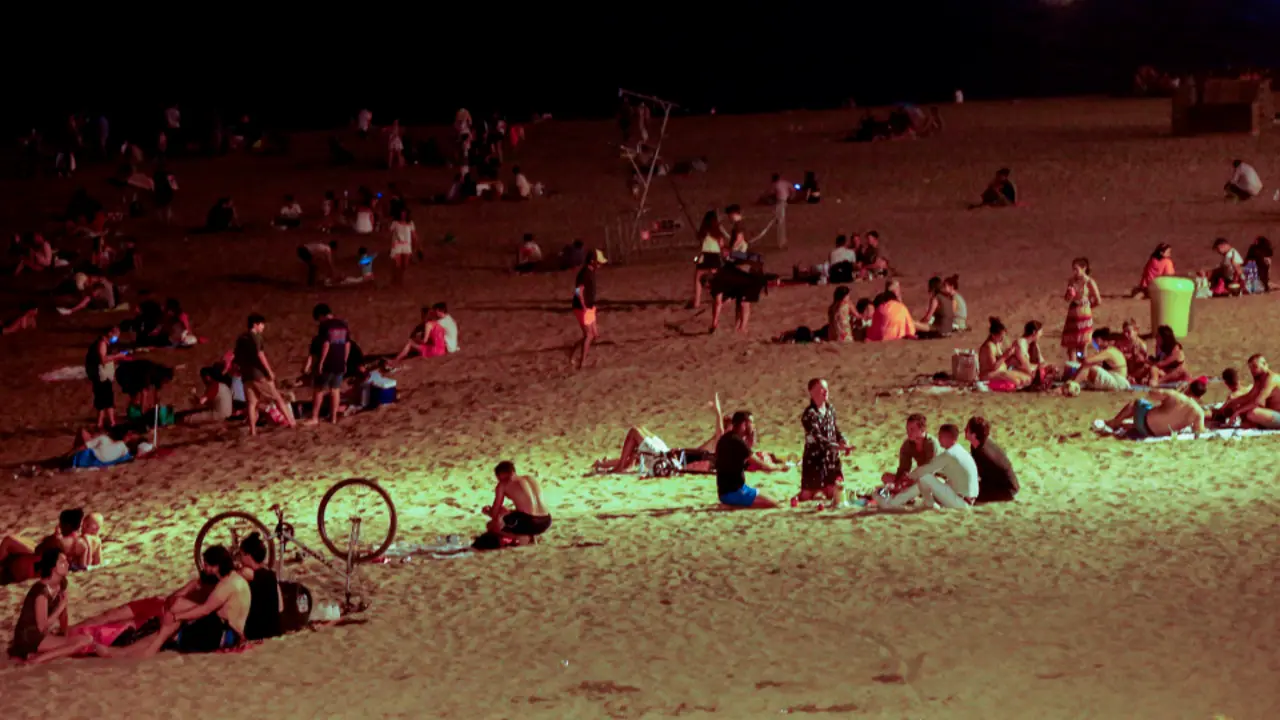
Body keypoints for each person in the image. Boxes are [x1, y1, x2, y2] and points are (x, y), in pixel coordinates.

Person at [9, 549, 98, 663]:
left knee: (80, 638)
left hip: (41, 634)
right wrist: (61, 605)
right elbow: (42, 627)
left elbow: (63, 615)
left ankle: (38, 654)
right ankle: (37, 660)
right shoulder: (42, 592)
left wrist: (64, 632)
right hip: (29, 636)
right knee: (85, 640)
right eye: (62, 562)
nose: (67, 564)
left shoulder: (61, 583)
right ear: (53, 567)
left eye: (66, 561)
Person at [879, 423, 979, 511]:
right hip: (966, 499)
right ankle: (922, 503)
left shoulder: (949, 454)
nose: (938, 439)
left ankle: (893, 503)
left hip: (961, 503)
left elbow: (927, 469)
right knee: (926, 479)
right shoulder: (959, 450)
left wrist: (909, 477)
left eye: (940, 436)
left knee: (925, 478)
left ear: (947, 437)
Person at [233, 313, 295, 435]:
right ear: (255, 324)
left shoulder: (241, 338)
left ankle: (253, 430)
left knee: (252, 403)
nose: (263, 327)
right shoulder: (256, 337)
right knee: (277, 397)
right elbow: (260, 355)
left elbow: (236, 357)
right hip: (258, 374)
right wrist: (269, 371)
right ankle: (291, 422)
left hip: (246, 375)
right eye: (261, 324)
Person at [799, 379, 851, 503]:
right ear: (812, 392)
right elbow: (818, 439)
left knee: (835, 492)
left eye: (826, 388)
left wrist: (843, 441)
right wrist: (837, 447)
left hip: (831, 460)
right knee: (812, 495)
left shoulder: (830, 409)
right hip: (815, 461)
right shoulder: (809, 415)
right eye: (821, 389)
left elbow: (835, 429)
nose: (826, 391)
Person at [1103, 378, 1208, 437]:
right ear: (1200, 396)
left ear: (1188, 387)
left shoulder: (1174, 395)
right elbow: (1198, 431)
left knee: (1136, 403)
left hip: (1143, 423)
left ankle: (1114, 423)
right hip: (1155, 434)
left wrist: (1175, 391)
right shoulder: (1198, 412)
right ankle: (1126, 426)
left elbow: (1151, 393)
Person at [715, 411, 779, 509]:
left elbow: (741, 461)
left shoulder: (726, 438)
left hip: (726, 491)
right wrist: (781, 467)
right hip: (734, 492)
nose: (753, 426)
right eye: (751, 423)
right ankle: (732, 506)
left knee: (766, 495)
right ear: (744, 424)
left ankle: (732, 504)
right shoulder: (737, 442)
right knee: (774, 504)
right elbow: (765, 466)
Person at [484, 462, 552, 545]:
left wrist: (488, 511)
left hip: (531, 522)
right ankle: (531, 535)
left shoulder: (503, 484)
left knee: (491, 526)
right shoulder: (530, 478)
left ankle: (522, 537)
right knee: (512, 513)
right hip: (546, 521)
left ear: (499, 475)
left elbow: (495, 513)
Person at [308, 304, 351, 425]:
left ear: (321, 316)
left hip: (329, 361)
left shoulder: (325, 325)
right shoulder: (343, 324)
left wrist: (321, 362)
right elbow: (347, 344)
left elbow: (326, 344)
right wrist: (344, 360)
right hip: (339, 361)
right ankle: (333, 418)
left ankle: (314, 417)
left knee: (319, 389)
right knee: (335, 389)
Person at [880, 414, 942, 493]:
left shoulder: (932, 443)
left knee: (932, 482)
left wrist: (911, 479)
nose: (908, 432)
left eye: (912, 429)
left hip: (937, 476)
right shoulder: (907, 445)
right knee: (886, 477)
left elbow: (931, 470)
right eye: (907, 429)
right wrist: (899, 481)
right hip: (919, 477)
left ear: (922, 429)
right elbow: (903, 468)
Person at [238, 533, 282, 641]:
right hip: (273, 629)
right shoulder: (270, 574)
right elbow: (281, 607)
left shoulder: (248, 573)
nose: (240, 558)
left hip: (257, 632)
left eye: (241, 555)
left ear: (248, 556)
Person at [965, 417, 1019, 504]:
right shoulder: (979, 444)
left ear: (974, 435)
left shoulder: (983, 454)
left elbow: (978, 476)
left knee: (967, 493)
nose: (964, 430)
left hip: (1007, 491)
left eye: (967, 429)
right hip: (1001, 483)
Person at [1220, 354, 1280, 429]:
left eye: (1255, 367)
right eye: (1250, 368)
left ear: (1264, 364)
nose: (1253, 370)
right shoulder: (1259, 378)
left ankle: (1256, 424)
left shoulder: (1271, 379)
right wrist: (1232, 402)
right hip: (1271, 413)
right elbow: (1249, 396)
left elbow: (1258, 402)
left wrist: (1237, 412)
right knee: (1243, 408)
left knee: (1252, 413)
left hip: (1277, 414)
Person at [1062, 257, 1101, 362]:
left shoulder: (1089, 282)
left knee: (1082, 346)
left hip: (1083, 315)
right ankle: (1072, 369)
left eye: (1076, 269)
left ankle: (1082, 367)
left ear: (1084, 268)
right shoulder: (1071, 281)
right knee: (1071, 346)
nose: (1074, 272)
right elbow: (1066, 298)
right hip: (1073, 314)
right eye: (1073, 269)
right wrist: (1069, 294)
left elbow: (1098, 300)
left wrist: (1087, 306)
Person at [571, 249, 606, 370]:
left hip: (590, 307)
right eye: (598, 262)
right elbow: (577, 291)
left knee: (594, 335)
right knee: (589, 335)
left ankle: (573, 352)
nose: (600, 264)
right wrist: (584, 306)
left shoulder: (591, 271)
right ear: (592, 261)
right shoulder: (584, 274)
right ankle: (582, 363)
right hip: (582, 308)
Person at [85, 325, 123, 429]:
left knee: (102, 399)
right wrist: (117, 356)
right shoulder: (102, 343)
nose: (117, 337)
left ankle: (100, 423)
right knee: (107, 399)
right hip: (101, 376)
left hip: (103, 375)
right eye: (115, 334)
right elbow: (103, 359)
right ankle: (111, 422)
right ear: (109, 333)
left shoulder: (106, 343)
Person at [692, 211, 726, 308]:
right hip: (715, 257)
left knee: (698, 277)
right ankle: (720, 298)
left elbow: (700, 240)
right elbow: (721, 245)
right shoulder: (718, 233)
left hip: (705, 257)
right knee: (717, 278)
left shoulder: (703, 232)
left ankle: (697, 301)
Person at [388, 209, 417, 286]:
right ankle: (395, 279)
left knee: (404, 265)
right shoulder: (395, 223)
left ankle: (400, 280)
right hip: (397, 244)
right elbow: (390, 233)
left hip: (407, 245)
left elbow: (414, 235)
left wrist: (415, 246)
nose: (403, 215)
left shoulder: (410, 223)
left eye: (404, 214)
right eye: (401, 214)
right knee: (397, 264)